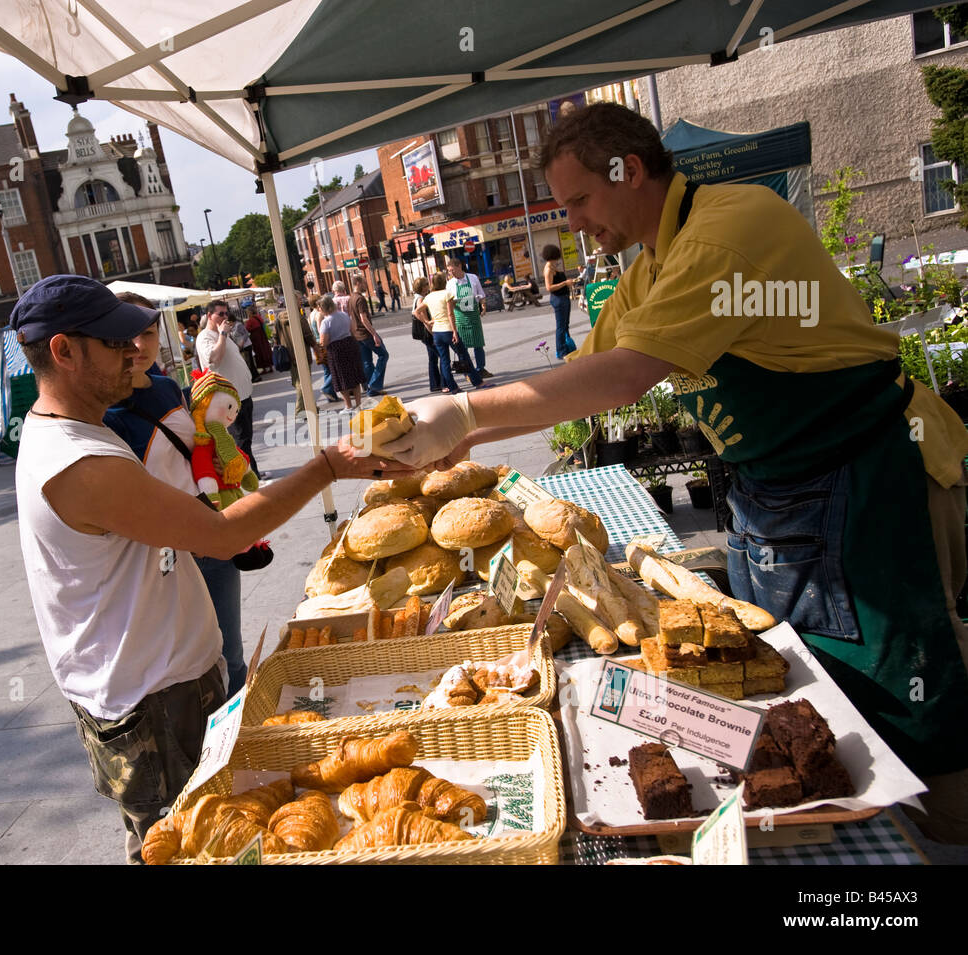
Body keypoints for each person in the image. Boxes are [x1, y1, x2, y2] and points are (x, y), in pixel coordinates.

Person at [385, 102, 968, 844]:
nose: (573, 223)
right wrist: (456, 445)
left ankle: (938, 841)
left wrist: (463, 412)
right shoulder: (649, 266)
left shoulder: (728, 229)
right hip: (780, 497)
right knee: (804, 708)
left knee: (902, 693)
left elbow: (624, 378)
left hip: (867, 486)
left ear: (628, 171)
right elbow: (581, 373)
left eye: (580, 201)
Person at [10, 274, 403, 863]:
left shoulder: (73, 434)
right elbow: (223, 536)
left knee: (189, 839)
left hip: (158, 689)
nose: (131, 354)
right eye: (114, 344)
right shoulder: (79, 462)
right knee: (188, 846)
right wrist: (328, 467)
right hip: (153, 706)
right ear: (63, 351)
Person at [103, 293, 248, 696]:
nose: (138, 346)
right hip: (162, 555)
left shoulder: (169, 388)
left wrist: (221, 463)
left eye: (147, 334)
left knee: (230, 652)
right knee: (190, 666)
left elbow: (193, 449)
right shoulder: (105, 415)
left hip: (211, 530)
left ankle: (240, 747)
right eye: (125, 337)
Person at [196, 299, 258, 474]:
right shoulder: (205, 337)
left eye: (226, 313)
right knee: (240, 440)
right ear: (209, 316)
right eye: (220, 314)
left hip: (243, 395)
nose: (225, 317)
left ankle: (252, 471)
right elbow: (214, 358)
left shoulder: (223, 334)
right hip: (228, 400)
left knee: (246, 438)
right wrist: (222, 335)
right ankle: (248, 476)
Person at [413, 272, 483, 394]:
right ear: (444, 282)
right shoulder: (447, 294)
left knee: (445, 361)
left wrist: (428, 322)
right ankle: (477, 382)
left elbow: (416, 312)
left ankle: (453, 388)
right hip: (448, 330)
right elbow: (451, 314)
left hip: (437, 333)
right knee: (463, 355)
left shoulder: (429, 297)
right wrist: (455, 332)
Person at [317, 293, 366, 409]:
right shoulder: (344, 315)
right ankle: (359, 404)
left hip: (336, 350)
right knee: (355, 376)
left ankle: (348, 405)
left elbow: (323, 342)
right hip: (350, 344)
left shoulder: (326, 322)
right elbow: (353, 330)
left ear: (324, 307)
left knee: (341, 378)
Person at [447, 257, 491, 378]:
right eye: (449, 271)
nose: (451, 273)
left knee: (478, 344)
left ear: (459, 266)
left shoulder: (473, 278)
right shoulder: (450, 284)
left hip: (473, 316)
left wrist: (483, 306)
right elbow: (448, 302)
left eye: (452, 270)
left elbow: (481, 294)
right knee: (462, 347)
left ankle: (481, 368)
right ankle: (467, 371)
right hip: (460, 318)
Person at [349, 277, 389, 395]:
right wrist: (374, 334)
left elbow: (351, 318)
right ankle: (374, 385)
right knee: (383, 355)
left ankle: (371, 388)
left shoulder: (351, 298)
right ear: (358, 283)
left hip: (357, 335)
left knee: (367, 362)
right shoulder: (360, 299)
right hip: (366, 334)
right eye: (364, 283)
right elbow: (363, 318)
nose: (366, 285)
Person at [543, 244, 580, 359]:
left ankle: (566, 347)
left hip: (563, 297)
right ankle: (561, 350)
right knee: (561, 326)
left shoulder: (554, 266)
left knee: (565, 325)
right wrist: (565, 283)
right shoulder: (549, 269)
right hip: (558, 299)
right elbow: (549, 287)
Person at [410, 276, 441, 393]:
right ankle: (444, 382)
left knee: (432, 358)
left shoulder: (417, 298)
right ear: (423, 287)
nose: (429, 286)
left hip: (424, 334)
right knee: (442, 357)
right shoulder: (420, 299)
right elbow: (421, 315)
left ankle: (435, 384)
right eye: (427, 284)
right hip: (427, 334)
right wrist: (432, 332)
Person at [309, 294, 338, 403]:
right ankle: (327, 389)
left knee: (327, 371)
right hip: (322, 344)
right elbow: (321, 330)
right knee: (332, 369)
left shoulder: (311, 314)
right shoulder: (319, 315)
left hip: (317, 344)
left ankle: (331, 395)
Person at [227, 313, 260, 383]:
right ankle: (253, 376)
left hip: (246, 345)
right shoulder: (231, 327)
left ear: (231, 320)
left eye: (228, 321)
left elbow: (246, 334)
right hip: (240, 347)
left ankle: (255, 376)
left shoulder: (238, 325)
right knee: (246, 362)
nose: (228, 323)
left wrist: (242, 342)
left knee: (249, 361)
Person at [245, 307, 273, 373]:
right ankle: (270, 366)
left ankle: (264, 368)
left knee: (259, 353)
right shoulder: (258, 317)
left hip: (256, 338)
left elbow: (247, 328)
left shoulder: (251, 320)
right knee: (266, 351)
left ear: (250, 313)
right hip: (263, 336)